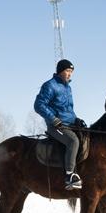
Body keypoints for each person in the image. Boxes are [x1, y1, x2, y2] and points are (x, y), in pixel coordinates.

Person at [33, 59, 87, 191]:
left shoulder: (68, 87)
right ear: (60, 71)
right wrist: (53, 119)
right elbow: (39, 105)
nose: (70, 74)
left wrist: (76, 119)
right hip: (56, 126)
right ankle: (69, 176)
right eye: (67, 71)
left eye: (71, 72)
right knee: (73, 141)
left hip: (70, 124)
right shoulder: (50, 85)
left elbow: (67, 110)